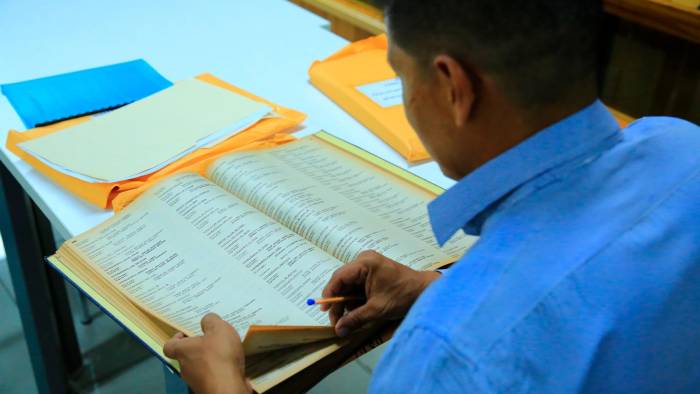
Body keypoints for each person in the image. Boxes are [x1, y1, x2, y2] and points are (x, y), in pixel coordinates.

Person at [163, 0, 700, 392]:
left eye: (399, 73)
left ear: (453, 88)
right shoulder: (681, 144)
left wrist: (221, 385)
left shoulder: (447, 358)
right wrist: (438, 284)